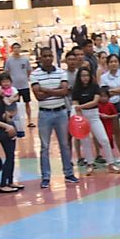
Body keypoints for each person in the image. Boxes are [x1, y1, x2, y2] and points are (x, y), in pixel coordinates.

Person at [30, 48, 78, 188]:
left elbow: (64, 91)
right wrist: (55, 92)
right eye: (45, 56)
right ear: (40, 58)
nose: (48, 58)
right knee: (44, 147)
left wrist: (45, 90)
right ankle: (45, 176)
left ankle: (68, 173)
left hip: (61, 112)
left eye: (50, 55)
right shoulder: (35, 74)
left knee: (64, 144)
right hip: (44, 114)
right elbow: (38, 96)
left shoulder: (61, 72)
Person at [71, 67, 120, 175]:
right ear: (79, 77)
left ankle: (110, 163)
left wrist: (81, 106)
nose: (85, 78)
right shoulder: (76, 89)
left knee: (104, 139)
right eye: (82, 76)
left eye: (87, 75)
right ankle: (90, 164)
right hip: (82, 116)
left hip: (94, 115)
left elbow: (95, 101)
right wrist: (79, 114)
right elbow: (75, 105)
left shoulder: (94, 87)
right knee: (86, 141)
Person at [99, 55, 120, 162]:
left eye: (115, 61)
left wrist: (113, 90)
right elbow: (106, 93)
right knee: (116, 132)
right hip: (112, 106)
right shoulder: (104, 77)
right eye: (111, 62)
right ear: (108, 64)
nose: (113, 63)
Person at [3, 42, 34, 128]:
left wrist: (26, 78)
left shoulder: (25, 60)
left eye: (18, 47)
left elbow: (29, 70)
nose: (16, 49)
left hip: (24, 85)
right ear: (12, 49)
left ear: (20, 49)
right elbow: (6, 71)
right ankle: (17, 121)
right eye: (14, 48)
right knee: (15, 104)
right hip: (14, 87)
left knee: (27, 103)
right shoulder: (9, 60)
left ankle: (30, 120)